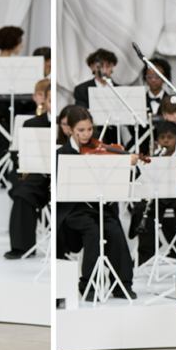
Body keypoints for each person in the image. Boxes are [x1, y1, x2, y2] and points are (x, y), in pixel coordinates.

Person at [56, 106, 138, 300]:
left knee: (114, 231)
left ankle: (122, 285)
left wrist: (128, 163)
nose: (87, 134)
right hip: (74, 209)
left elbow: (129, 177)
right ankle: (88, 286)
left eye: (90, 129)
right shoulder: (62, 154)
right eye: (81, 130)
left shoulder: (100, 150)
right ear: (69, 129)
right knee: (93, 232)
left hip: (100, 206)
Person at [5, 81, 51, 259]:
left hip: (61, 174)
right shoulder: (32, 123)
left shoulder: (67, 122)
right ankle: (21, 246)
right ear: (45, 101)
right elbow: (21, 154)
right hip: (38, 173)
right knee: (23, 193)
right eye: (49, 101)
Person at [128, 121, 176, 263]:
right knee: (143, 209)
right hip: (159, 196)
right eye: (162, 137)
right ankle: (146, 254)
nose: (166, 141)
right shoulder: (153, 158)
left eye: (170, 137)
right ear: (157, 140)